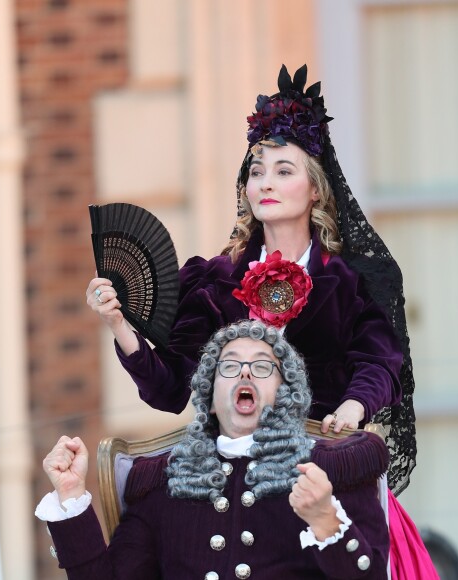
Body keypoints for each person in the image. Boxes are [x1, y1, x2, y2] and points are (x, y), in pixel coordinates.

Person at [86, 64, 416, 494]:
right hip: (231, 484)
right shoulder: (215, 280)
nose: (265, 183)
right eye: (257, 171)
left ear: (315, 188)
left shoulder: (352, 280)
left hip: (323, 471)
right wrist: (119, 324)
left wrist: (353, 408)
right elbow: (170, 392)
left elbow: (378, 363)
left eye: (283, 171)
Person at [37, 320, 391, 579]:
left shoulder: (331, 471)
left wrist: (325, 520)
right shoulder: (164, 484)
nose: (245, 373)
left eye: (263, 366)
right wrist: (71, 498)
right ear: (209, 398)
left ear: (286, 395)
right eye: (230, 365)